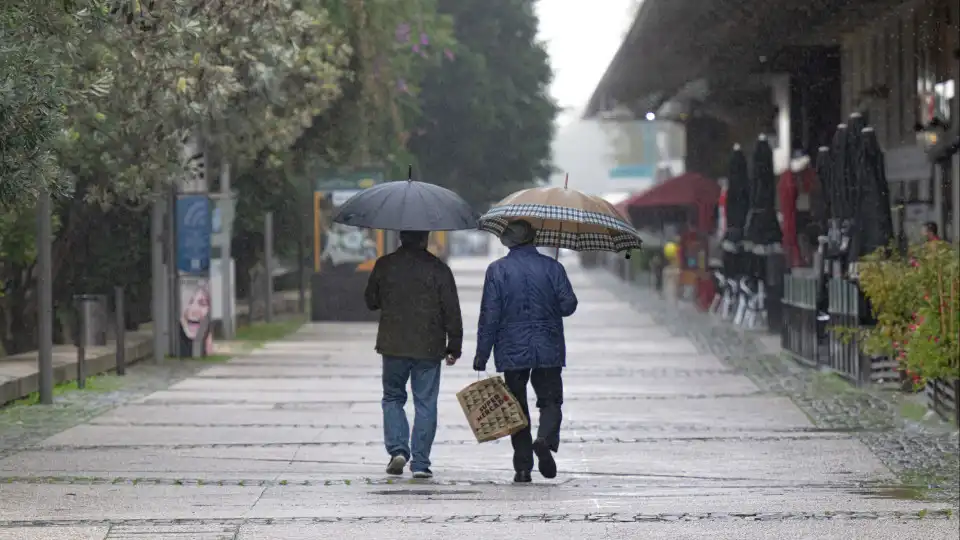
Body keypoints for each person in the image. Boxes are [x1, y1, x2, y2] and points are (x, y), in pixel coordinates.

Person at [472, 220, 578, 483]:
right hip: (548, 346)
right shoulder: (553, 267)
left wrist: (481, 354)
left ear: (507, 241)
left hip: (511, 348)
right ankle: (544, 439)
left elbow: (490, 315)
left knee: (515, 408)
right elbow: (569, 305)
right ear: (533, 239)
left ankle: (522, 467)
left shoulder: (497, 271)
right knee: (551, 400)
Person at [365, 230, 463, 479]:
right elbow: (452, 309)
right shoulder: (439, 269)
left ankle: (398, 449)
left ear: (401, 238)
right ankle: (420, 463)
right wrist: (454, 346)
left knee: (393, 397)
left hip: (394, 343)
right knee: (425, 402)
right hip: (429, 346)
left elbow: (371, 301)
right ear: (425, 239)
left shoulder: (385, 265)